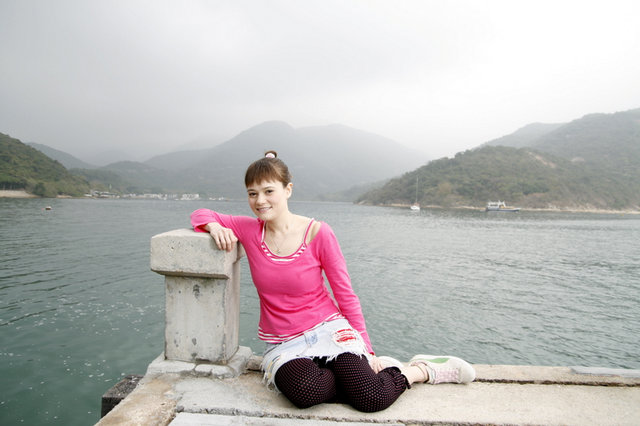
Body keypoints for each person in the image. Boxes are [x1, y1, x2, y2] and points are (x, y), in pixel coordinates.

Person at [190, 150, 475, 412]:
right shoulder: (250, 230)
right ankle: (355, 378)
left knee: (372, 397)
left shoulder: (318, 233)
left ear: (288, 190)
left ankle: (419, 370)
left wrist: (368, 351)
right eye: (252, 194)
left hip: (329, 330)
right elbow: (200, 214)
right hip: (285, 343)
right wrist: (214, 226)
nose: (260, 201)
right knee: (306, 393)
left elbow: (345, 294)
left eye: (268, 191)